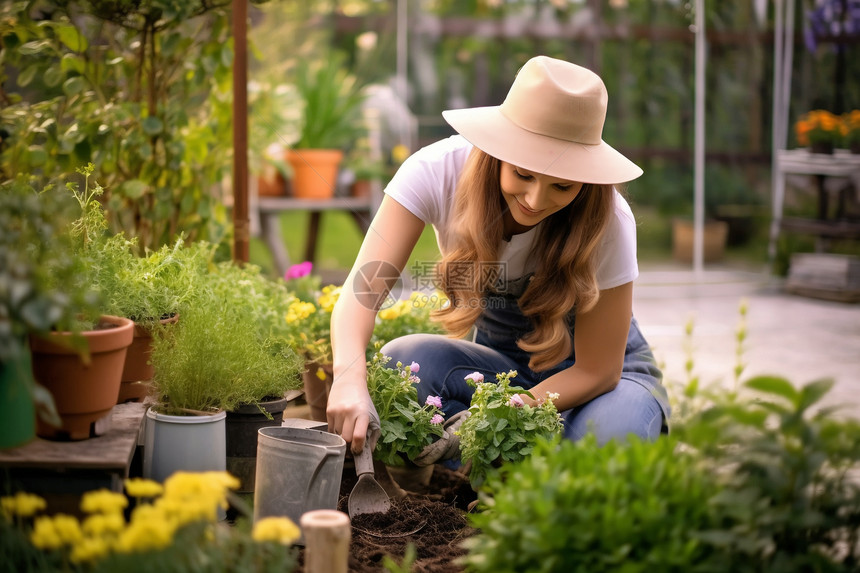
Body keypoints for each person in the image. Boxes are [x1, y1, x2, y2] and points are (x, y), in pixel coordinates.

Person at [327, 55, 670, 460]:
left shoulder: (608, 217)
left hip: (602, 380)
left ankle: (541, 463)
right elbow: (363, 292)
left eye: (561, 185)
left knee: (609, 440)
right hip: (504, 368)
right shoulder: (436, 172)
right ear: (499, 150)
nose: (535, 200)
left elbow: (599, 370)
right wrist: (349, 377)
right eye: (523, 174)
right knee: (402, 366)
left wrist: (503, 414)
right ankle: (517, 466)